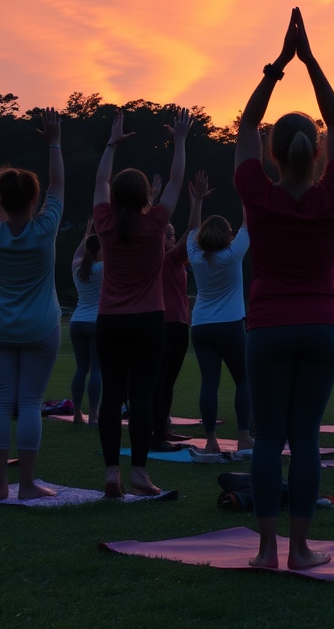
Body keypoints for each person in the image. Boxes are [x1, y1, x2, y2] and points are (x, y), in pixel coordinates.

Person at [235, 7, 334, 570]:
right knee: (304, 438)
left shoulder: (257, 190)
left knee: (265, 437)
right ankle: (301, 550)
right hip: (322, 326)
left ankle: (265, 550)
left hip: (268, 327)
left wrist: (278, 67)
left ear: (273, 153)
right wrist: (311, 62)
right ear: (317, 151)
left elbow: (242, 128)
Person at [93, 107, 190, 497]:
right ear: (146, 197)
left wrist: (111, 143)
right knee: (142, 396)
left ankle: (111, 471)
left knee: (112, 396)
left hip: (110, 321)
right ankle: (139, 472)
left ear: (115, 197)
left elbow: (100, 178)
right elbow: (177, 179)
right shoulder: (155, 225)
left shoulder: (103, 222)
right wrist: (180, 140)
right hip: (150, 319)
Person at [0, 110, 63, 500]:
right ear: (34, 199)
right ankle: (25, 485)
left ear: (0, 200)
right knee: (28, 403)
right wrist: (54, 143)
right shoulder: (45, 228)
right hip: (41, 328)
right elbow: (58, 185)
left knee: (0, 402)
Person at [186, 171, 254, 454]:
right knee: (243, 379)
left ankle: (211, 440)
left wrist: (197, 200)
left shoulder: (195, 254)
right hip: (230, 325)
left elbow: (191, 229)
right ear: (228, 235)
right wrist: (244, 193)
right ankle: (243, 437)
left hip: (201, 325)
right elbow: (248, 221)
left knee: (209, 383)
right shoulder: (233, 253)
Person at [150, 215, 192, 452]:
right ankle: (156, 436)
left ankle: (162, 429)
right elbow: (191, 234)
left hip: (178, 324)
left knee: (167, 382)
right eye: (170, 234)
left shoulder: (175, 261)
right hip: (166, 325)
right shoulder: (166, 258)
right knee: (160, 382)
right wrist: (196, 204)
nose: (174, 237)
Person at [69, 219, 102, 426]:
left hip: (77, 321)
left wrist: (87, 233)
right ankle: (94, 415)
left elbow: (78, 254)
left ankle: (76, 414)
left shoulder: (76, 267)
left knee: (81, 369)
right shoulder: (104, 268)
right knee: (97, 369)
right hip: (97, 322)